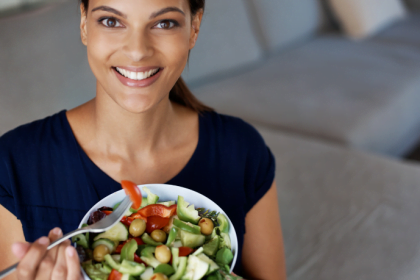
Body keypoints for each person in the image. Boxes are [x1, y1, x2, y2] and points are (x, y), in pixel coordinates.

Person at [0, 0, 286, 279]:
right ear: (85, 24)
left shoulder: (243, 151)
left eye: (164, 23)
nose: (137, 51)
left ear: (194, 28)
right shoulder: (14, 163)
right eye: (111, 21)